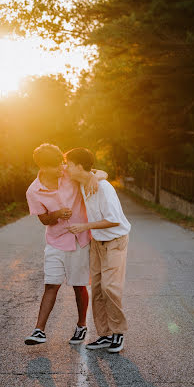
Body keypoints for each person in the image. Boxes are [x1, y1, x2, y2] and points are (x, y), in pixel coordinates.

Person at [24, 143, 107, 346]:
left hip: (80, 240)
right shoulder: (34, 191)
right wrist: (57, 214)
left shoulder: (69, 173)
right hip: (56, 242)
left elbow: (101, 172)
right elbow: (44, 220)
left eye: (61, 163)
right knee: (51, 284)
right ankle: (39, 330)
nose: (61, 168)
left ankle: (81, 325)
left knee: (79, 286)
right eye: (56, 166)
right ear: (43, 167)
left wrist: (94, 177)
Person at [65, 147, 131, 353]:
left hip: (114, 241)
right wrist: (95, 174)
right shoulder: (84, 181)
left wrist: (84, 227)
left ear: (78, 165)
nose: (66, 167)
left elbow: (113, 220)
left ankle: (118, 333)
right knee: (98, 289)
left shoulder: (103, 188)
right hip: (97, 242)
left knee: (111, 288)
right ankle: (104, 335)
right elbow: (58, 169)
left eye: (69, 164)